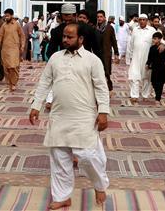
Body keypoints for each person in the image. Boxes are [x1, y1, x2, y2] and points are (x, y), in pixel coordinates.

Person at [29, 22, 110, 210]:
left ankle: (99, 185)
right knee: (59, 158)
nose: (65, 40)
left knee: (88, 156)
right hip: (58, 116)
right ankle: (62, 196)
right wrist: (36, 106)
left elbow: (101, 87)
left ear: (81, 39)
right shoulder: (55, 58)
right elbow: (44, 83)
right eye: (64, 36)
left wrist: (103, 112)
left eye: (70, 37)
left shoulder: (92, 60)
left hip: (84, 117)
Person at [126, 13, 157, 104]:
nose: (142, 21)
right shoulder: (135, 30)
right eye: (140, 20)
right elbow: (131, 44)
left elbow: (159, 40)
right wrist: (130, 57)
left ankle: (145, 95)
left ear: (147, 21)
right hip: (135, 57)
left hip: (147, 58)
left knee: (146, 77)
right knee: (133, 76)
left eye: (144, 20)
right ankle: (134, 95)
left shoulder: (152, 30)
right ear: (138, 21)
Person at [91, 10, 119, 91]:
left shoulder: (109, 28)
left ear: (104, 17)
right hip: (96, 53)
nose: (99, 18)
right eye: (98, 17)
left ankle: (109, 87)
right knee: (97, 71)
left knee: (106, 72)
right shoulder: (94, 28)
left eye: (101, 17)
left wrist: (116, 53)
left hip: (106, 53)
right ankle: (99, 88)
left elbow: (114, 40)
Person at [0, 9, 24, 91]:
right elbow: (0, 37)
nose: (6, 17)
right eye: (5, 16)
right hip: (5, 50)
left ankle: (13, 83)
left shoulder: (17, 25)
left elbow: (22, 36)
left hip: (14, 49)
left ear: (12, 16)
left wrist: (22, 46)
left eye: (8, 16)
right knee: (6, 68)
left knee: (13, 66)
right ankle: (9, 82)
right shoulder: (4, 25)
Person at [146, 31, 165, 104]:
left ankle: (158, 98)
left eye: (155, 38)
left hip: (162, 68)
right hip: (154, 68)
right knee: (154, 82)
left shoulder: (164, 48)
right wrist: (148, 64)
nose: (154, 40)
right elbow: (150, 57)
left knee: (160, 83)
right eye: (153, 38)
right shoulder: (152, 48)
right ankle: (157, 94)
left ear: (159, 39)